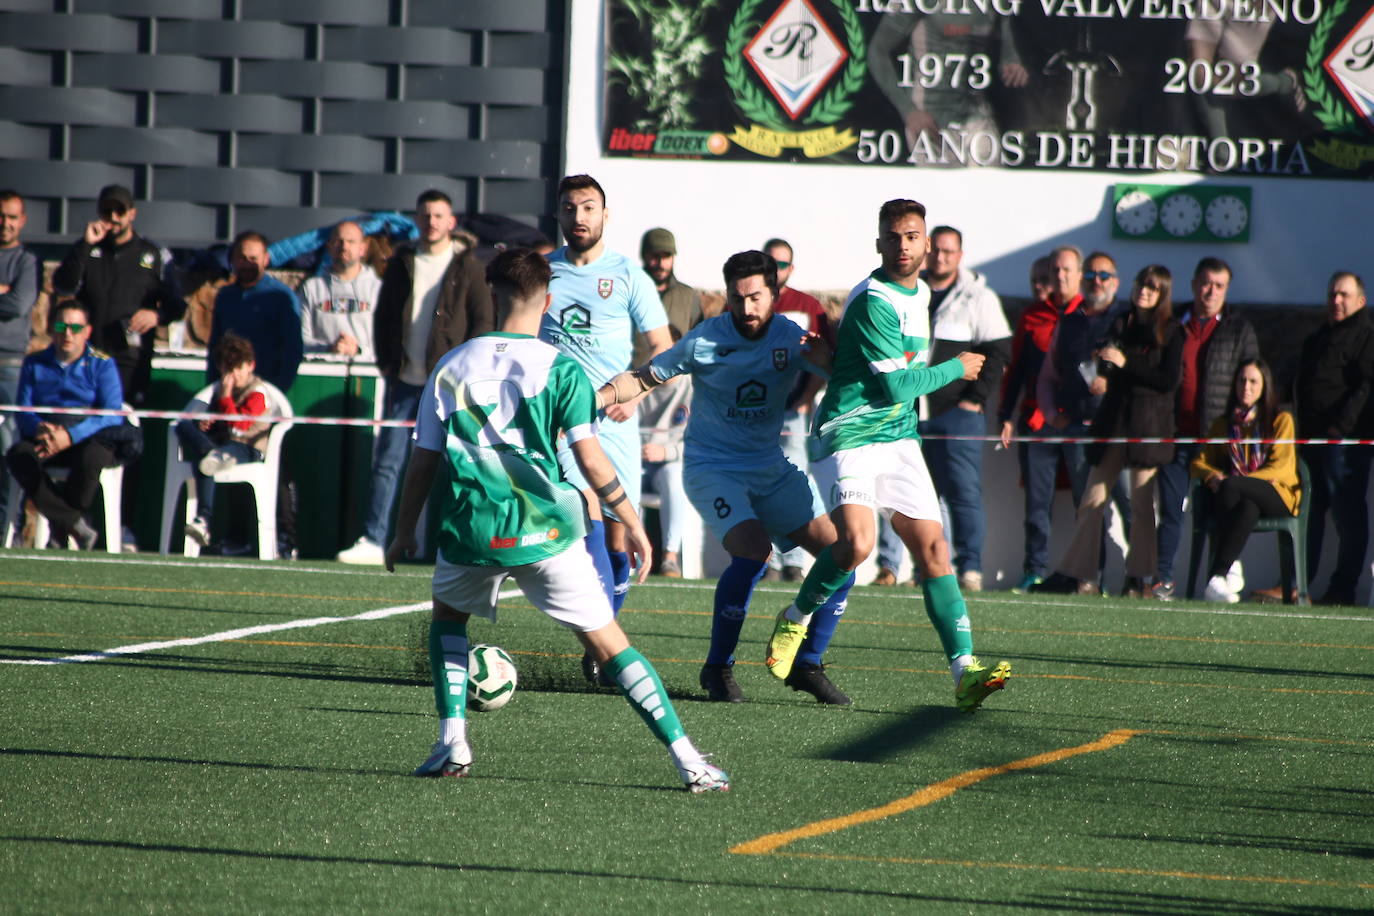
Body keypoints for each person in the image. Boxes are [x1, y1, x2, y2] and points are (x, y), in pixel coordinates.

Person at [386, 248, 727, 793]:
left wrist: (403, 531)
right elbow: (592, 462)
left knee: (448, 622)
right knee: (612, 647)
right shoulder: (562, 369)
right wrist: (634, 523)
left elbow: (423, 461)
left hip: (473, 530)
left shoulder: (450, 366)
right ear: (547, 302)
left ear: (493, 296)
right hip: (547, 529)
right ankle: (689, 762)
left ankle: (453, 742)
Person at [766, 199, 1010, 714]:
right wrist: (957, 368)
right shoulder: (874, 298)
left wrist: (834, 362)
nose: (903, 245)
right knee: (857, 544)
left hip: (899, 437)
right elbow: (897, 384)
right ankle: (795, 617)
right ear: (879, 243)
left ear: (927, 244)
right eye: (894, 237)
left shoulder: (920, 293)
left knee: (935, 549)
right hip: (849, 434)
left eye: (912, 236)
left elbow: (868, 369)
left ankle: (965, 673)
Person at [598, 250, 855, 705]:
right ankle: (718, 667)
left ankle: (807, 663)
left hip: (769, 466)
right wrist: (594, 399)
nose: (746, 308)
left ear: (774, 294)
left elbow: (841, 376)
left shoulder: (791, 337)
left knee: (843, 558)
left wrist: (834, 354)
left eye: (755, 297)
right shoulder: (704, 340)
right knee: (754, 552)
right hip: (712, 468)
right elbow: (643, 377)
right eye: (737, 299)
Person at [540, 175, 671, 683]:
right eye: (570, 208)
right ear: (558, 214)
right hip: (562, 423)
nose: (579, 217)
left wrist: (635, 394)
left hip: (614, 424)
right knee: (587, 507)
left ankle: (603, 640)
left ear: (605, 214)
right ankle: (605, 645)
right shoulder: (543, 272)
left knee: (619, 540)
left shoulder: (629, 276)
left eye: (588, 207)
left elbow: (663, 349)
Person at [336, 190, 494, 564]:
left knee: (460, 464)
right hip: (404, 382)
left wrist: (468, 370)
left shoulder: (470, 266)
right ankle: (373, 539)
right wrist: (388, 364)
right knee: (388, 462)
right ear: (416, 219)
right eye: (425, 215)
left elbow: (484, 321)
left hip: (452, 385)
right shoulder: (402, 262)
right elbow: (384, 317)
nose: (431, 222)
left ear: (451, 222)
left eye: (438, 215)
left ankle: (458, 543)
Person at [1033, 265, 1182, 595]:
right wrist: (1103, 363)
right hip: (1113, 422)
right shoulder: (1122, 322)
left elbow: (1168, 380)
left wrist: (1127, 363)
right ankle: (1077, 573)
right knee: (1092, 499)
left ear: (1162, 294)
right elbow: (1109, 370)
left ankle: (1139, 577)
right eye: (1140, 285)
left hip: (1147, 427)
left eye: (1152, 288)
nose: (1143, 292)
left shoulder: (1171, 330)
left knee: (1141, 505)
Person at [51, 184, 184, 550]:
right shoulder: (88, 249)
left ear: (132, 213)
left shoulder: (152, 254)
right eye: (107, 211)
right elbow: (63, 285)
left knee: (125, 441)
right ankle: (74, 521)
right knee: (77, 436)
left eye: (119, 211)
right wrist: (84, 245)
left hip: (129, 364)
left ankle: (122, 525)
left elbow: (177, 304)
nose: (113, 218)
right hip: (85, 364)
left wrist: (155, 315)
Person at [1154, 257, 1259, 599]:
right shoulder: (1171, 322)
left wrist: (1241, 424)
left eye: (1219, 286)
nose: (1211, 292)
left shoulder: (1238, 329)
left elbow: (1252, 377)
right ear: (1193, 284)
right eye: (1205, 283)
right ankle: (1163, 580)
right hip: (1174, 433)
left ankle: (1221, 576)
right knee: (1170, 509)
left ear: (1226, 290)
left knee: (1221, 506)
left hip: (1217, 439)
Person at [1035, 250, 1134, 591]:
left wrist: (1117, 375)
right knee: (1088, 512)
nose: (1097, 282)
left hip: (1120, 431)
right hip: (1079, 430)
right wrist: (1052, 415)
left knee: (1131, 507)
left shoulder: (1128, 320)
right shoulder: (1070, 322)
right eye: (1090, 275)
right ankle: (1089, 579)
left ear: (1116, 282)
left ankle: (1141, 581)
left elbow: (1148, 373)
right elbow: (1048, 376)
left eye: (1104, 276)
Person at [6, 301, 133, 549]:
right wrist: (41, 429)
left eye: (75, 328)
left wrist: (70, 435)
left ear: (87, 331)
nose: (68, 334)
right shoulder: (34, 363)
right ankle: (75, 524)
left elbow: (112, 415)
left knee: (92, 457)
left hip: (87, 437)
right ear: (51, 329)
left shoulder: (102, 364)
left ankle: (60, 531)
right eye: (61, 326)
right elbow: (23, 410)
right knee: (19, 455)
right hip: (46, 438)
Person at [207, 231, 303, 558]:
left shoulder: (281, 296)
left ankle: (286, 540)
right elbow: (214, 348)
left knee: (277, 466)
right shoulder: (225, 296)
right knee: (229, 458)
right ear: (232, 260)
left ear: (266, 259)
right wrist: (215, 392)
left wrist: (274, 394)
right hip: (229, 398)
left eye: (254, 257)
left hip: (266, 397)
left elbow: (293, 350)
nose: (247, 263)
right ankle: (237, 538)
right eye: (241, 257)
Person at [999, 246, 1085, 593]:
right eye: (1054, 271)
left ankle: (1087, 574)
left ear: (1078, 274)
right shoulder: (1032, 315)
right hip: (1037, 421)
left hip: (1080, 424)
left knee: (1086, 501)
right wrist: (1005, 414)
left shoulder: (1091, 313)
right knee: (1038, 503)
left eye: (1066, 270)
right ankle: (1034, 570)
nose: (1059, 277)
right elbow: (1017, 369)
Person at [1287, 272, 1373, 606]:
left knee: (1348, 516)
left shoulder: (1366, 337)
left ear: (1360, 301)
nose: (1336, 300)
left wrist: (1340, 428)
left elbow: (1366, 388)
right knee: (1309, 513)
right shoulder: (1319, 337)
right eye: (1332, 294)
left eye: (1344, 295)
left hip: (1344, 444)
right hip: (1310, 441)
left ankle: (1343, 588)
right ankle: (1298, 585)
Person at [1190, 359, 1300, 603]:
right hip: (1241, 497)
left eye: (1253, 381)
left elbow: (1281, 467)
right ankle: (1219, 577)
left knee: (1231, 485)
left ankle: (1225, 567)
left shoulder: (1281, 419)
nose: (1246, 387)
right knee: (1247, 506)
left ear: (1264, 386)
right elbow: (1198, 463)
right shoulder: (1223, 424)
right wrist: (1211, 475)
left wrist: (1240, 481)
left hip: (1277, 492)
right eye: (1241, 381)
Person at [764, 237, 833, 583]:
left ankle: (793, 560)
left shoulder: (808, 306)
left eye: (781, 264)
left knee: (793, 483)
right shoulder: (748, 301)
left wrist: (807, 397)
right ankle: (770, 560)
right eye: (769, 262)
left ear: (791, 269)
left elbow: (824, 358)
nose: (775, 270)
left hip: (793, 412)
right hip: (757, 413)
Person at [176, 333, 273, 549]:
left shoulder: (257, 392)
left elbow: (239, 426)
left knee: (209, 460)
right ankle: (203, 520)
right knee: (185, 426)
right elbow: (218, 421)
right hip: (221, 448)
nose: (234, 375)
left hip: (248, 449)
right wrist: (205, 423)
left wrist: (226, 396)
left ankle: (204, 517)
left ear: (250, 365)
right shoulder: (219, 389)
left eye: (238, 368)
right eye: (228, 370)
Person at [636, 327, 692, 578]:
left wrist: (666, 451)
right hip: (635, 463)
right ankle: (628, 557)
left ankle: (670, 558)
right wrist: (635, 450)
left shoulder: (694, 387)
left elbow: (700, 443)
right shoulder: (634, 383)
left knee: (673, 475)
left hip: (670, 464)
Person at [0, 190, 41, 524]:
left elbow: (19, 304)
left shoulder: (27, 261)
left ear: (22, 221)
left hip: (10, 366)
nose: (5, 223)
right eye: (1, 216)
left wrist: (9, 294)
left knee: (8, 447)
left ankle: (7, 523)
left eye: (12, 217)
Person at [298, 220, 381, 359]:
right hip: (322, 369)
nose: (344, 246)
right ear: (329, 247)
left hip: (366, 369)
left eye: (351, 241)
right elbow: (300, 340)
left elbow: (389, 342)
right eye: (338, 241)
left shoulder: (378, 289)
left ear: (363, 248)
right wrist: (329, 348)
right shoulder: (312, 288)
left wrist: (358, 350)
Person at [633, 227, 702, 369]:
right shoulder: (628, 291)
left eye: (666, 256)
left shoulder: (689, 296)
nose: (661, 264)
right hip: (632, 377)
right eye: (655, 256)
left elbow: (699, 345)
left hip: (675, 379)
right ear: (644, 256)